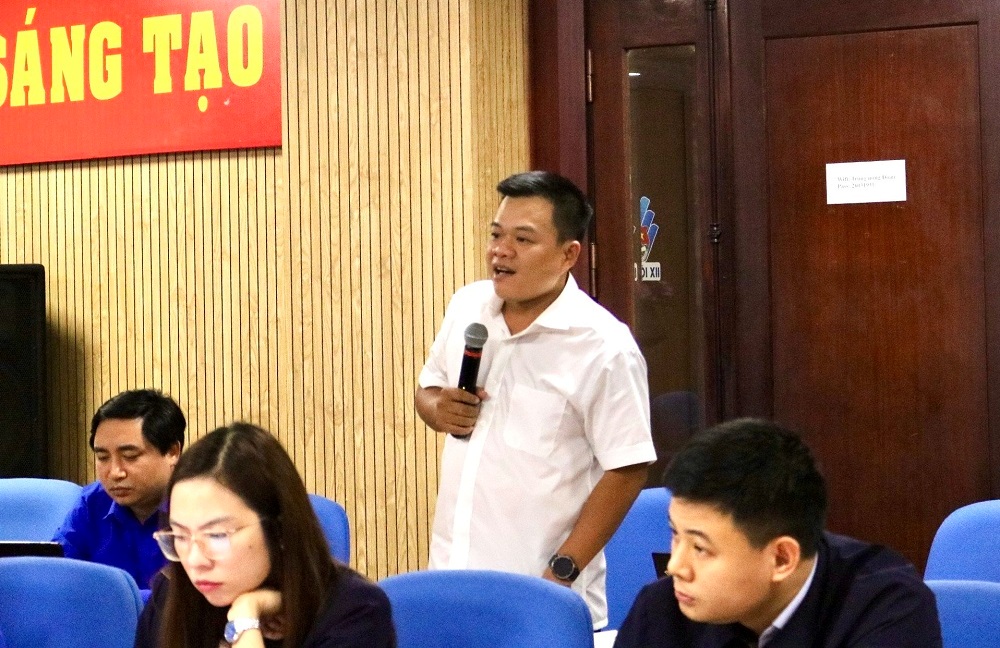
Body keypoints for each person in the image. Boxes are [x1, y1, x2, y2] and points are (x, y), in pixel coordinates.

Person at [414, 170, 656, 628]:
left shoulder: (604, 347)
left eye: (523, 239)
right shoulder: (468, 307)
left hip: (545, 598)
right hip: (452, 582)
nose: (500, 251)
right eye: (496, 235)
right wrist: (437, 408)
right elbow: (428, 389)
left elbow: (627, 469)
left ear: (569, 254)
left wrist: (562, 572)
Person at [614, 418, 942, 648]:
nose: (675, 567)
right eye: (675, 535)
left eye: (700, 548)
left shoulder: (889, 609)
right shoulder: (662, 610)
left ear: (782, 558)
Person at [134, 422, 395, 648]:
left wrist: (245, 620)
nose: (194, 560)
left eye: (216, 536)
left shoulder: (356, 611)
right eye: (180, 536)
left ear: (279, 531)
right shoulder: (170, 597)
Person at [54, 388, 185, 590]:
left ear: (172, 452)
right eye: (103, 458)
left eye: (130, 456)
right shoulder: (92, 504)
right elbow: (55, 576)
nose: (115, 472)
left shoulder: (203, 508)